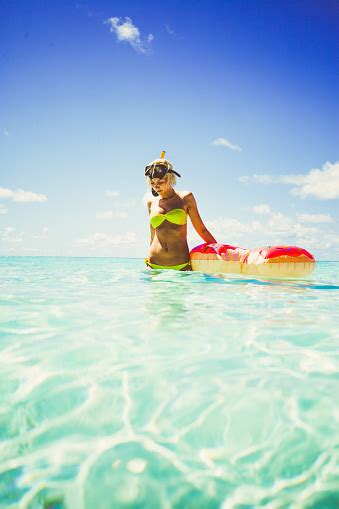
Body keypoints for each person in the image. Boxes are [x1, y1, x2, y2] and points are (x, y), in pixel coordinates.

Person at [144, 157, 216, 270]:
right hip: (153, 266)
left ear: (170, 179)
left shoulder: (185, 198)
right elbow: (153, 235)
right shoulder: (151, 202)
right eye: (152, 183)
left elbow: (202, 230)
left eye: (160, 182)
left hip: (181, 266)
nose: (156, 186)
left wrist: (219, 251)